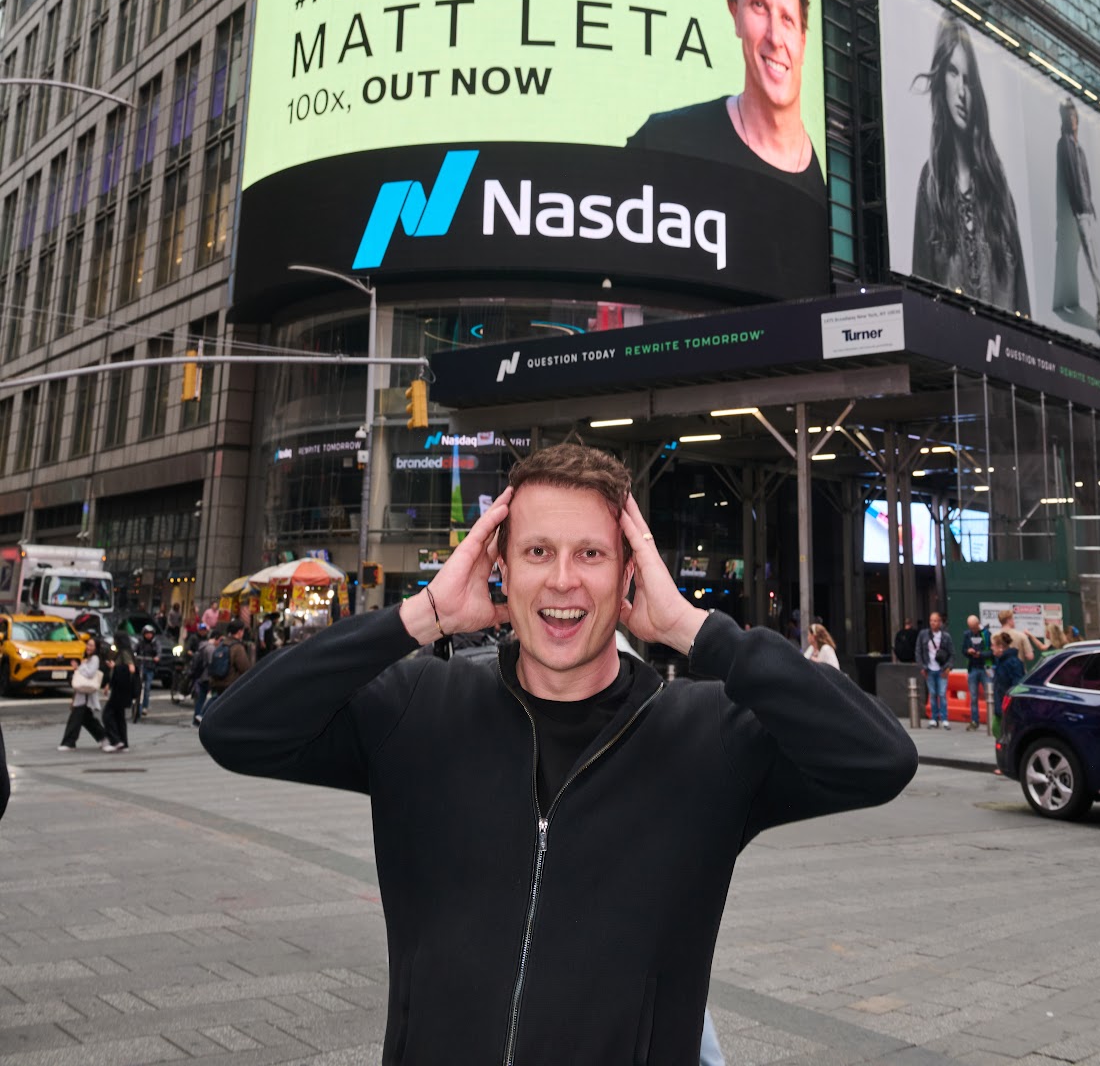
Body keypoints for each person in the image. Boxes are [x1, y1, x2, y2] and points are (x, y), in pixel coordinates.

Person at [202, 443, 916, 1062]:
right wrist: (418, 618)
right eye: (537, 551)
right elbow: (235, 729)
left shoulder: (713, 737)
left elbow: (879, 759)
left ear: (628, 575)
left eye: (592, 554)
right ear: (500, 571)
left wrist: (700, 633)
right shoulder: (413, 709)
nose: (563, 579)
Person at [627, 0, 826, 201]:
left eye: (787, 18)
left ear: (803, 41)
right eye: (759, 5)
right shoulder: (664, 144)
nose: (775, 37)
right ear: (735, 11)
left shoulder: (821, 191)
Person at [911, 12, 1029, 313]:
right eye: (952, 72)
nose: (962, 91)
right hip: (951, 356)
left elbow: (1021, 297)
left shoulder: (995, 182)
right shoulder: (931, 183)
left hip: (1006, 355)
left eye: (968, 78)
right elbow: (921, 289)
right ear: (941, 79)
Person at [1053, 99, 1100, 345]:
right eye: (1069, 118)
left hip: (1089, 212)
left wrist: (1092, 208)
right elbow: (1069, 180)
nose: (1073, 121)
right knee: (1092, 267)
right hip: (1080, 214)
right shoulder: (1065, 145)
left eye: (1075, 117)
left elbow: (1085, 180)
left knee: (1096, 264)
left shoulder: (1081, 149)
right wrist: (1078, 210)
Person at [58, 636, 105, 750]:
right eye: (88, 645)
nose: (88, 647)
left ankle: (69, 742)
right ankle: (104, 737)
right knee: (87, 720)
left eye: (91, 645)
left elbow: (90, 673)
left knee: (76, 719)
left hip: (86, 695)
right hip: (82, 694)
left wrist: (78, 668)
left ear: (96, 648)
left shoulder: (95, 659)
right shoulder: (87, 659)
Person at [202, 620, 250, 717]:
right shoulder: (237, 647)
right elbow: (244, 667)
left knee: (218, 703)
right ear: (240, 632)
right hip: (230, 683)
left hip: (217, 680)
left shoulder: (222, 643)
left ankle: (205, 716)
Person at [916, 611, 954, 729]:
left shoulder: (946, 636)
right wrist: (922, 667)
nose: (933, 623)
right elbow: (918, 651)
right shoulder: (923, 635)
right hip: (929, 668)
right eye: (931, 620)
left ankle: (944, 719)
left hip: (942, 669)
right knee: (932, 694)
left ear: (940, 622)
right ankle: (933, 718)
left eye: (935, 620)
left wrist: (948, 667)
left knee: (942, 694)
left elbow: (952, 653)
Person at [101, 638, 136, 752]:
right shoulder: (123, 652)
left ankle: (115, 740)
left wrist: (114, 667)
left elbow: (131, 668)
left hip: (120, 689)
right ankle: (123, 743)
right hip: (120, 687)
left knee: (107, 715)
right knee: (119, 716)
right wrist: (108, 685)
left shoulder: (124, 653)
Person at [990, 632, 1025, 740]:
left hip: (1007, 707)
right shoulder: (1001, 661)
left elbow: (1016, 684)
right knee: (998, 730)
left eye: (993, 645)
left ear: (1000, 647)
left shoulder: (1012, 663)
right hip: (1002, 705)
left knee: (1003, 733)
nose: (991, 648)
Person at [960, 615, 990, 731]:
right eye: (971, 628)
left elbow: (992, 651)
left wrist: (981, 654)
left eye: (974, 627)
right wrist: (968, 651)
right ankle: (974, 720)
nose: (973, 630)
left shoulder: (986, 634)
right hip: (973, 667)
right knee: (973, 696)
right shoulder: (967, 635)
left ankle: (990, 719)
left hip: (985, 668)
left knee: (989, 695)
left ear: (978, 624)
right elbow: (963, 650)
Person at [136, 625, 159, 718]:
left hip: (150, 667)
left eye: (150, 634)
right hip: (141, 666)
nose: (148, 635)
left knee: (147, 688)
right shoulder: (140, 642)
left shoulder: (155, 643)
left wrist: (157, 657)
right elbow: (135, 650)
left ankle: (145, 706)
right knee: (137, 686)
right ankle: (136, 705)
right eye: (147, 634)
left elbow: (159, 652)